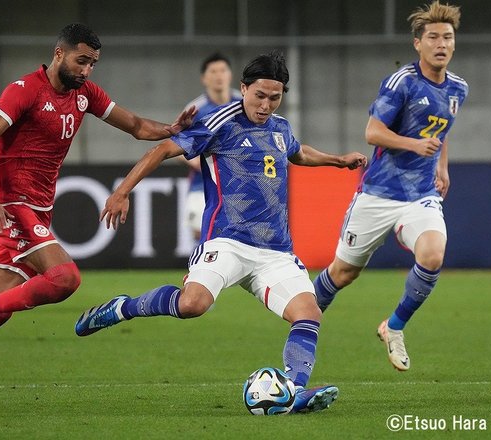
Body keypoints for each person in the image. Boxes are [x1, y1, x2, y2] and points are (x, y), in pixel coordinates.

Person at [0, 23, 196, 411]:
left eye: (93, 63)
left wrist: (170, 128)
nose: (87, 70)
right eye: (81, 60)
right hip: (12, 203)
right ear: (59, 54)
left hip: (38, 206)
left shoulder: (85, 94)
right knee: (65, 279)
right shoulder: (25, 91)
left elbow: (136, 126)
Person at [75, 51, 367, 413]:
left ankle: (292, 390)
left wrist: (337, 161)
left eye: (274, 98)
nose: (265, 105)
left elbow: (297, 152)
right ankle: (122, 308)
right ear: (242, 88)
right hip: (227, 240)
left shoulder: (279, 126)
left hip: (275, 250)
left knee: (309, 314)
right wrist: (121, 192)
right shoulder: (219, 122)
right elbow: (163, 150)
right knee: (192, 304)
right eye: (259, 95)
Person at [312, 1, 468, 372]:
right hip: (378, 194)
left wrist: (441, 167)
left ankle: (393, 327)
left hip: (420, 196)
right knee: (342, 274)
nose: (441, 44)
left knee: (432, 255)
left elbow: (440, 129)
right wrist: (415, 145)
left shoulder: (458, 88)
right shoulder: (402, 82)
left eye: (447, 37)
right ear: (418, 43)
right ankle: (303, 320)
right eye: (433, 37)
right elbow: (372, 132)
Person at [180, 53, 242, 242]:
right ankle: (200, 270)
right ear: (204, 78)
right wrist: (202, 163)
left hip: (238, 186)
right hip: (203, 186)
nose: (218, 75)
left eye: (222, 70)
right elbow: (177, 147)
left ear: (230, 75)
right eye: (213, 71)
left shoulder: (243, 104)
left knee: (236, 239)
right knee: (203, 234)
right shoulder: (195, 109)